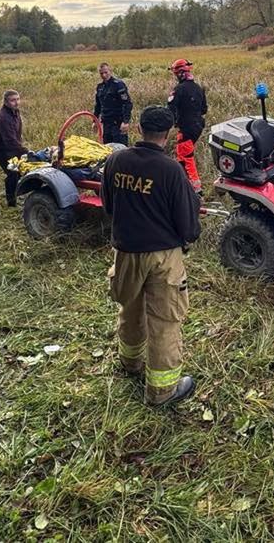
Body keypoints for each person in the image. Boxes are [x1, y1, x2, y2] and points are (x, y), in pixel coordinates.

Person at [102, 106, 201, 407]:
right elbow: (187, 224)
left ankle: (130, 363)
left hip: (126, 253)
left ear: (138, 129)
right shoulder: (171, 170)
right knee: (164, 321)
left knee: (130, 310)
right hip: (162, 258)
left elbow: (108, 205)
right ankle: (162, 392)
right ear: (168, 134)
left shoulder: (116, 160)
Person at [166, 58, 208, 192]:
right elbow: (204, 109)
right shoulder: (199, 88)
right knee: (183, 154)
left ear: (180, 73)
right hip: (198, 126)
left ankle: (195, 189)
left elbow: (170, 109)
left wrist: (168, 124)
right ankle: (183, 183)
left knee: (185, 157)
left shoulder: (178, 89)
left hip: (186, 127)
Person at [0, 89, 24, 207]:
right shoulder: (4, 118)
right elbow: (9, 141)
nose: (16, 102)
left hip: (11, 147)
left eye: (18, 99)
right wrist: (25, 151)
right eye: (13, 100)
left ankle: (15, 193)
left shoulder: (15, 112)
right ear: (5, 102)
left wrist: (20, 148)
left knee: (18, 171)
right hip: (0, 149)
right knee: (12, 172)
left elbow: (15, 136)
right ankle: (11, 202)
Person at [94, 62, 133, 146]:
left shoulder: (118, 85)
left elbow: (127, 103)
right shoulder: (100, 87)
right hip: (106, 124)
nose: (104, 75)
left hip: (118, 124)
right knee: (107, 150)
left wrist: (126, 121)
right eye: (101, 73)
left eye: (106, 72)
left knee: (121, 150)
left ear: (110, 71)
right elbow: (98, 106)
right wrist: (95, 120)